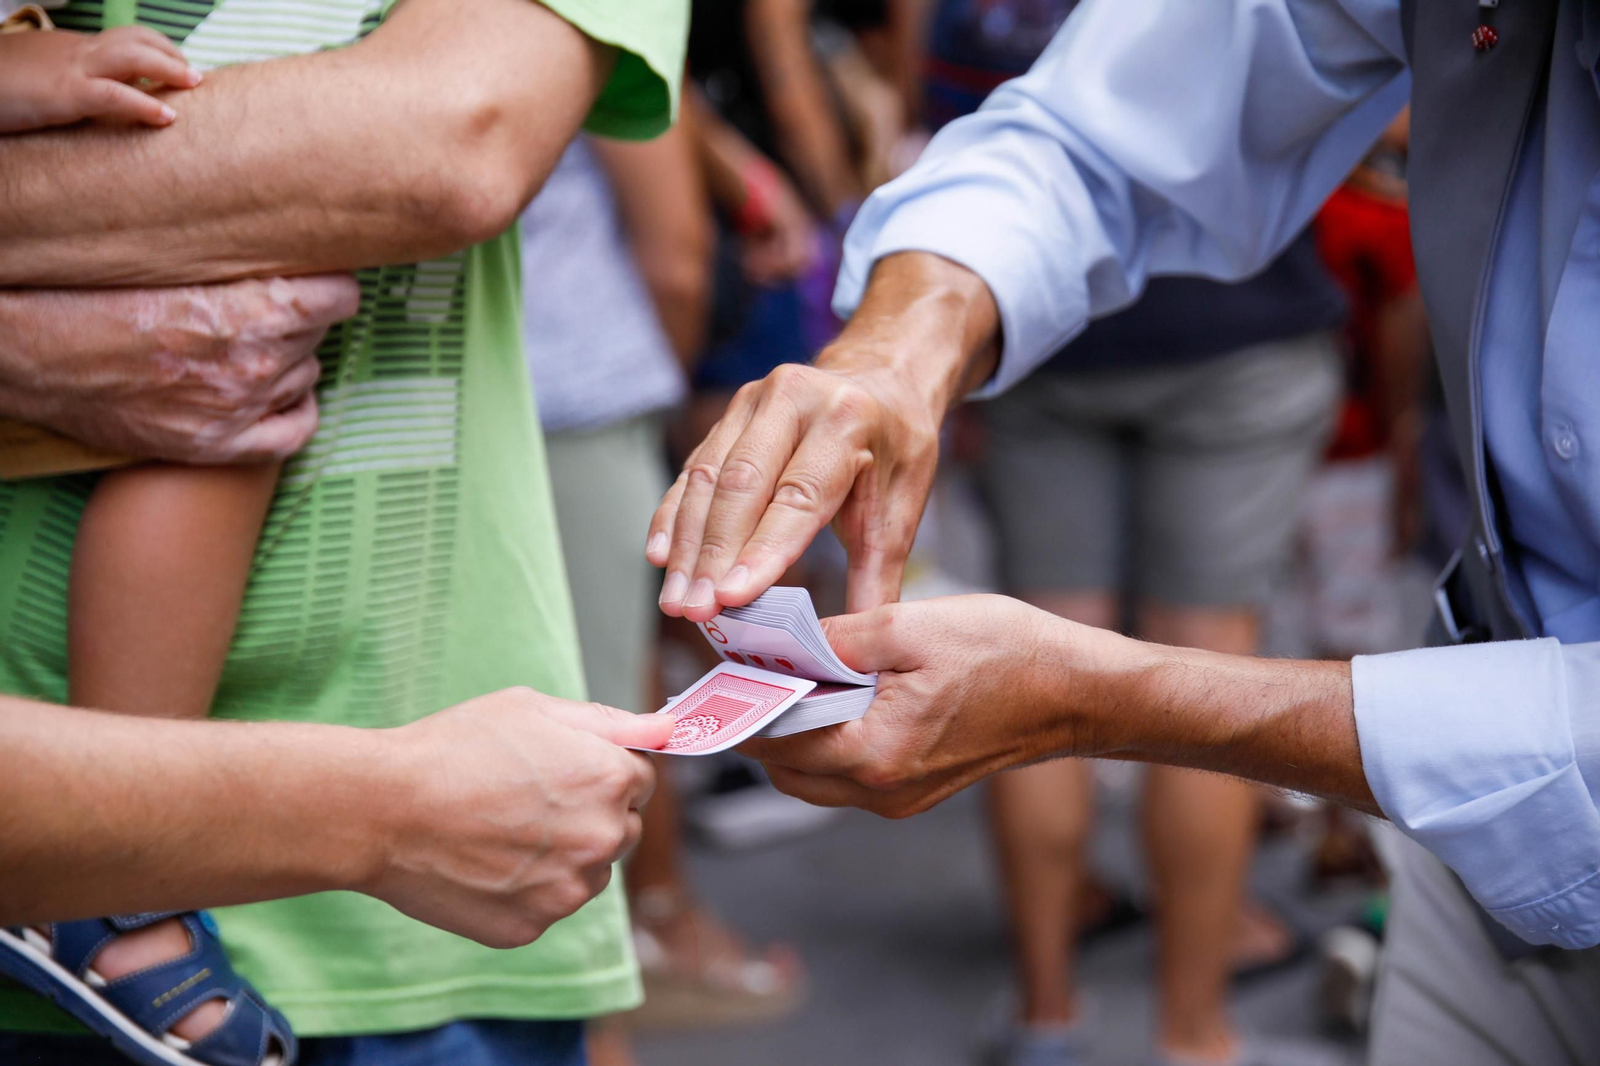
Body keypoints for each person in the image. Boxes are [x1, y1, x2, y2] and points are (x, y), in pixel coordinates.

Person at [650, 0, 1600, 1063]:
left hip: (1106, 396)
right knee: (1125, 661)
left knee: (1068, 666)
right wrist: (900, 344)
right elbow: (1109, 122)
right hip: (1463, 817)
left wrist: (1102, 699)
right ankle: (1191, 1035)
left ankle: (1051, 1012)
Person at [0, 0, 687, 1063]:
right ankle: (116, 877)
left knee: (246, 360)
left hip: (427, 895)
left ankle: (119, 873)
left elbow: (450, 138)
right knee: (239, 365)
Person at [917, 4, 1343, 1062]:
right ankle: (1191, 1035)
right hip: (1235, 333)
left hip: (1045, 341)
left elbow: (950, 117)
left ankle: (1045, 1016)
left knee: (1032, 680)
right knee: (1203, 683)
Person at [519, 126, 803, 1055]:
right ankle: (632, 961)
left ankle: (636, 960)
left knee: (600, 719)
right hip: (574, 398)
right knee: (600, 729)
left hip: (556, 397)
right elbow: (676, 254)